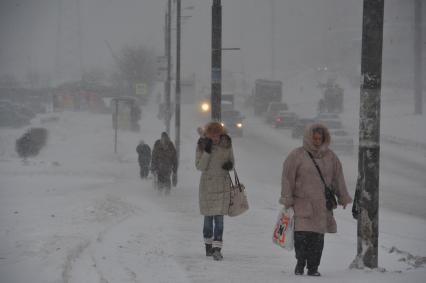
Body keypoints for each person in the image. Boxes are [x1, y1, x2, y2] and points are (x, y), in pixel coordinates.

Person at [280, 123, 352, 276]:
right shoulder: (297, 155)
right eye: (315, 138)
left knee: (317, 239)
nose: (317, 141)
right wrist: (287, 198)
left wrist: (343, 196)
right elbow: (287, 178)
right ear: (308, 138)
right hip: (302, 204)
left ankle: (313, 268)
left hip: (321, 206)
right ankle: (300, 263)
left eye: (320, 138)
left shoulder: (331, 157)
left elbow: (338, 178)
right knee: (301, 238)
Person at [195, 122, 235, 261]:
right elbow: (199, 166)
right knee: (208, 221)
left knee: (219, 221)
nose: (216, 138)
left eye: (218, 135)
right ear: (208, 134)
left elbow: (231, 161)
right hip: (207, 186)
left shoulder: (227, 144)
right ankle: (208, 247)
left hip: (222, 186)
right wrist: (206, 151)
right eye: (213, 135)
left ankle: (217, 249)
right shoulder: (202, 144)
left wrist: (229, 165)